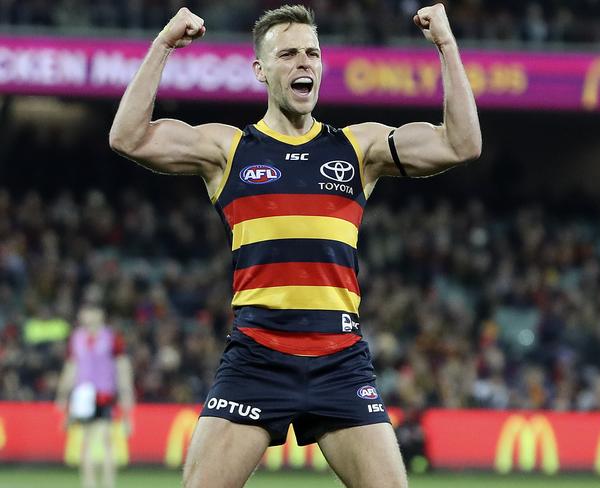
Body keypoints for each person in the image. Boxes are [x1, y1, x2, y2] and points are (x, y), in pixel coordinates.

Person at [109, 3, 480, 487]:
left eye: (312, 53)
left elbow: (461, 144)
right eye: (288, 54)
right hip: (257, 356)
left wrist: (447, 46)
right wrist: (163, 44)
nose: (304, 62)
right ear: (261, 71)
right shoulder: (229, 150)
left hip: (339, 361)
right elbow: (127, 137)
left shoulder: (357, 149)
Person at [56, 304, 135, 488]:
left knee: (107, 439)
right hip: (83, 394)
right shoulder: (76, 338)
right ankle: (89, 483)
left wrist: (126, 392)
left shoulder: (111, 337)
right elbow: (71, 366)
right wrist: (63, 393)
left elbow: (122, 366)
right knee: (86, 440)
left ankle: (108, 483)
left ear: (100, 315)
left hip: (105, 393)